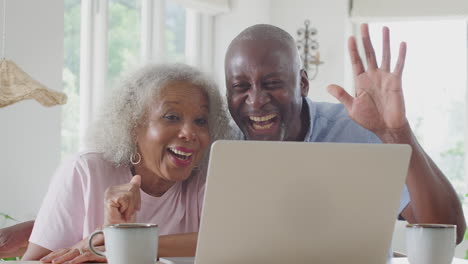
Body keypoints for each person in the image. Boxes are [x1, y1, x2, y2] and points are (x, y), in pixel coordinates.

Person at [223, 23, 466, 243]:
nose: (255, 101)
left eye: (272, 83)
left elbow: (449, 231)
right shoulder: (221, 148)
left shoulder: (359, 130)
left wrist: (397, 133)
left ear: (303, 84)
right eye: (240, 87)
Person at [18, 63, 230, 262]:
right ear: (133, 125)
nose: (189, 133)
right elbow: (33, 262)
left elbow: (230, 243)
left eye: (200, 121)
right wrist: (98, 243)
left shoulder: (208, 181)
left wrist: (122, 243)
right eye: (172, 117)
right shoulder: (86, 171)